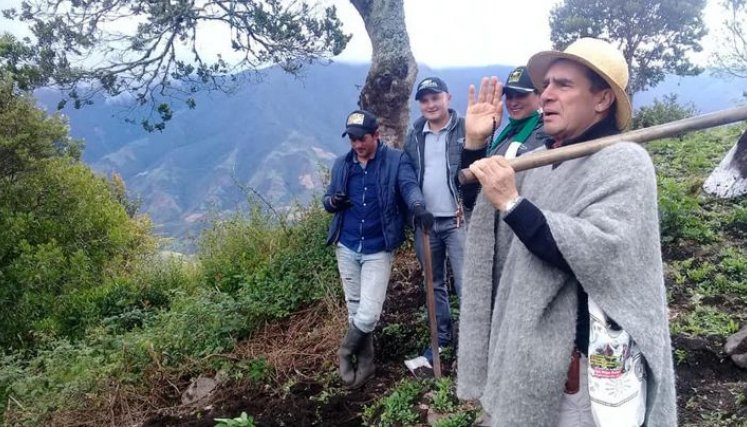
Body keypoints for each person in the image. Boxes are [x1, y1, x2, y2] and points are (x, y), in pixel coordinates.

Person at [456, 38, 677, 426]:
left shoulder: (624, 162)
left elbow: (599, 251)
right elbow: (486, 218)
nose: (547, 96)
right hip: (526, 362)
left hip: (578, 374)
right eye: (547, 86)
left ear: (602, 99)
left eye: (564, 85)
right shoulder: (541, 162)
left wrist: (512, 203)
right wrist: (475, 147)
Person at [324, 109, 434, 389]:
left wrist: (418, 207)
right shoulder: (342, 164)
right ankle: (368, 364)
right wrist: (332, 202)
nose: (358, 145)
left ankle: (346, 351)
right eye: (352, 139)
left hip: (378, 247)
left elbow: (408, 187)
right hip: (346, 244)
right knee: (355, 309)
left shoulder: (395, 160)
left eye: (362, 138)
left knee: (369, 313)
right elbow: (327, 199)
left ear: (376, 135)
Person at [402, 77, 466, 373]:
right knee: (433, 284)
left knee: (468, 285)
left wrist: (467, 206)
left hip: (457, 221)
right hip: (426, 225)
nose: (430, 104)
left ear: (448, 98)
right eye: (424, 100)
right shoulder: (415, 134)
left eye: (435, 98)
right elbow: (408, 176)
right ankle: (441, 342)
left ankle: (472, 345)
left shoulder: (464, 129)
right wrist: (416, 207)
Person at [460, 65, 545, 211]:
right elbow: (472, 197)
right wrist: (475, 142)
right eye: (509, 95)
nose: (513, 102)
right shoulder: (508, 133)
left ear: (540, 95)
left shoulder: (548, 136)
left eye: (521, 95)